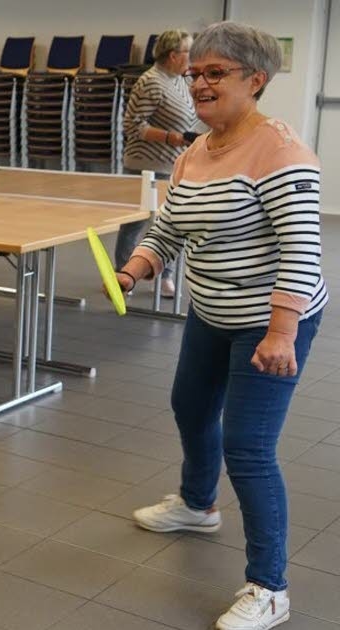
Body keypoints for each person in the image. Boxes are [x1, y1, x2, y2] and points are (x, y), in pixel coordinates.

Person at [116, 21, 327, 630]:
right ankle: (198, 503)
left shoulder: (283, 152)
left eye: (216, 73)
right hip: (210, 309)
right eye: (195, 72)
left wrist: (282, 332)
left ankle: (270, 588)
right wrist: (134, 269)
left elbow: (300, 249)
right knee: (189, 404)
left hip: (271, 320)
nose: (199, 83)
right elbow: (169, 227)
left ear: (255, 80)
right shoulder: (194, 152)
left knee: (249, 447)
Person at [118, 29, 200, 297]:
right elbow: (132, 125)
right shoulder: (150, 81)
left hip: (174, 165)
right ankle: (122, 274)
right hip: (145, 164)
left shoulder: (178, 80)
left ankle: (165, 275)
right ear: (174, 55)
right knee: (135, 224)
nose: (192, 57)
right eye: (189, 52)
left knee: (171, 223)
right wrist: (172, 137)